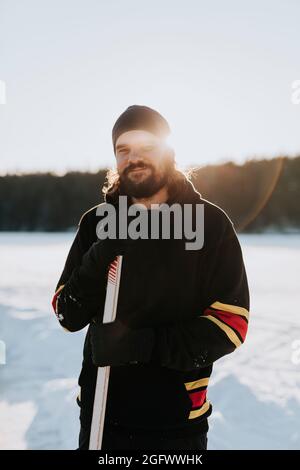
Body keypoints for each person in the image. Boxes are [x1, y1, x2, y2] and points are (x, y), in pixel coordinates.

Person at [51, 105, 250, 450]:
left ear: (169, 153)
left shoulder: (209, 225)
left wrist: (143, 346)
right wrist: (98, 257)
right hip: (101, 416)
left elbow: (230, 325)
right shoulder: (97, 223)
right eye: (123, 150)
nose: (134, 158)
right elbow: (67, 314)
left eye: (147, 148)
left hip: (174, 423)